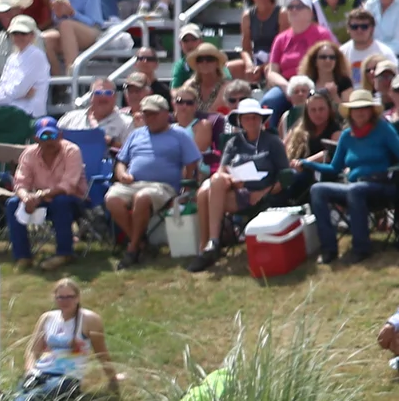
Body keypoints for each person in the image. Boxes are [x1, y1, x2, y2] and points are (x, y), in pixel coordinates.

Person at [187, 97, 288, 271]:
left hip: (261, 194)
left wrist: (263, 193)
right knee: (214, 182)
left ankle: (207, 248)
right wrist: (233, 181)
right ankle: (212, 243)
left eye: (255, 117)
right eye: (246, 117)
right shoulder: (233, 142)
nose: (251, 121)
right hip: (236, 190)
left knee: (204, 193)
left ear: (261, 119)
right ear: (240, 120)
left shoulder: (272, 142)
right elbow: (222, 170)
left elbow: (285, 175)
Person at [106, 94, 201, 265]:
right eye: (146, 114)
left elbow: (192, 163)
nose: (149, 118)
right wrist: (121, 174)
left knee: (142, 198)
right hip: (133, 183)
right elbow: (121, 161)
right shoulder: (136, 135)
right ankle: (141, 243)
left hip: (163, 187)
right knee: (112, 199)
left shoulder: (179, 134)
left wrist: (187, 188)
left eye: (154, 114)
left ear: (166, 113)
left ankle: (133, 249)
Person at [307, 86, 399, 263]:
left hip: (382, 187)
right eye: (356, 109)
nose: (360, 112)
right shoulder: (347, 136)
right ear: (350, 112)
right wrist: (309, 164)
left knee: (355, 190)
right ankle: (329, 249)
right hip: (354, 187)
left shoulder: (383, 129)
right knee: (317, 189)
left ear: (371, 111)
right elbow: (334, 168)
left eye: (364, 108)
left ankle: (361, 248)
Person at [14, 277, 119, 401]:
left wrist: (112, 379)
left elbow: (101, 353)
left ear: (78, 298)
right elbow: (33, 351)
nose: (65, 301)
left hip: (67, 377)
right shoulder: (47, 318)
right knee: (17, 397)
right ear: (54, 298)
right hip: (41, 371)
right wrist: (30, 370)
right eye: (61, 297)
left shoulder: (89, 320)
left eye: (69, 297)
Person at [8, 117, 89, 269]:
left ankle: (65, 253)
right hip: (42, 199)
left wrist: (39, 195)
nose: (49, 141)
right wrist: (26, 198)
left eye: (52, 135)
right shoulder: (29, 154)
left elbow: (68, 185)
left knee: (61, 201)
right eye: (44, 137)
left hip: (73, 200)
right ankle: (23, 256)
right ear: (36, 139)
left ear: (60, 135)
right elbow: (20, 183)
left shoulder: (72, 151)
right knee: (12, 204)